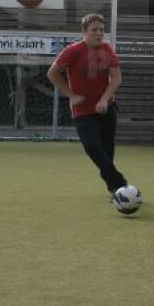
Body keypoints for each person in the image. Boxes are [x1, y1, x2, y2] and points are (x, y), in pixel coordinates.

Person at [47, 13, 132, 203]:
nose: (99, 33)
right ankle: (121, 185)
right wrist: (71, 95)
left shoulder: (107, 50)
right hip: (82, 110)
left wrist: (104, 99)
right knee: (93, 149)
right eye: (94, 30)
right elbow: (52, 73)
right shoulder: (73, 51)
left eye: (101, 30)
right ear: (84, 32)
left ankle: (114, 191)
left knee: (107, 152)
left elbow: (116, 78)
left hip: (106, 108)